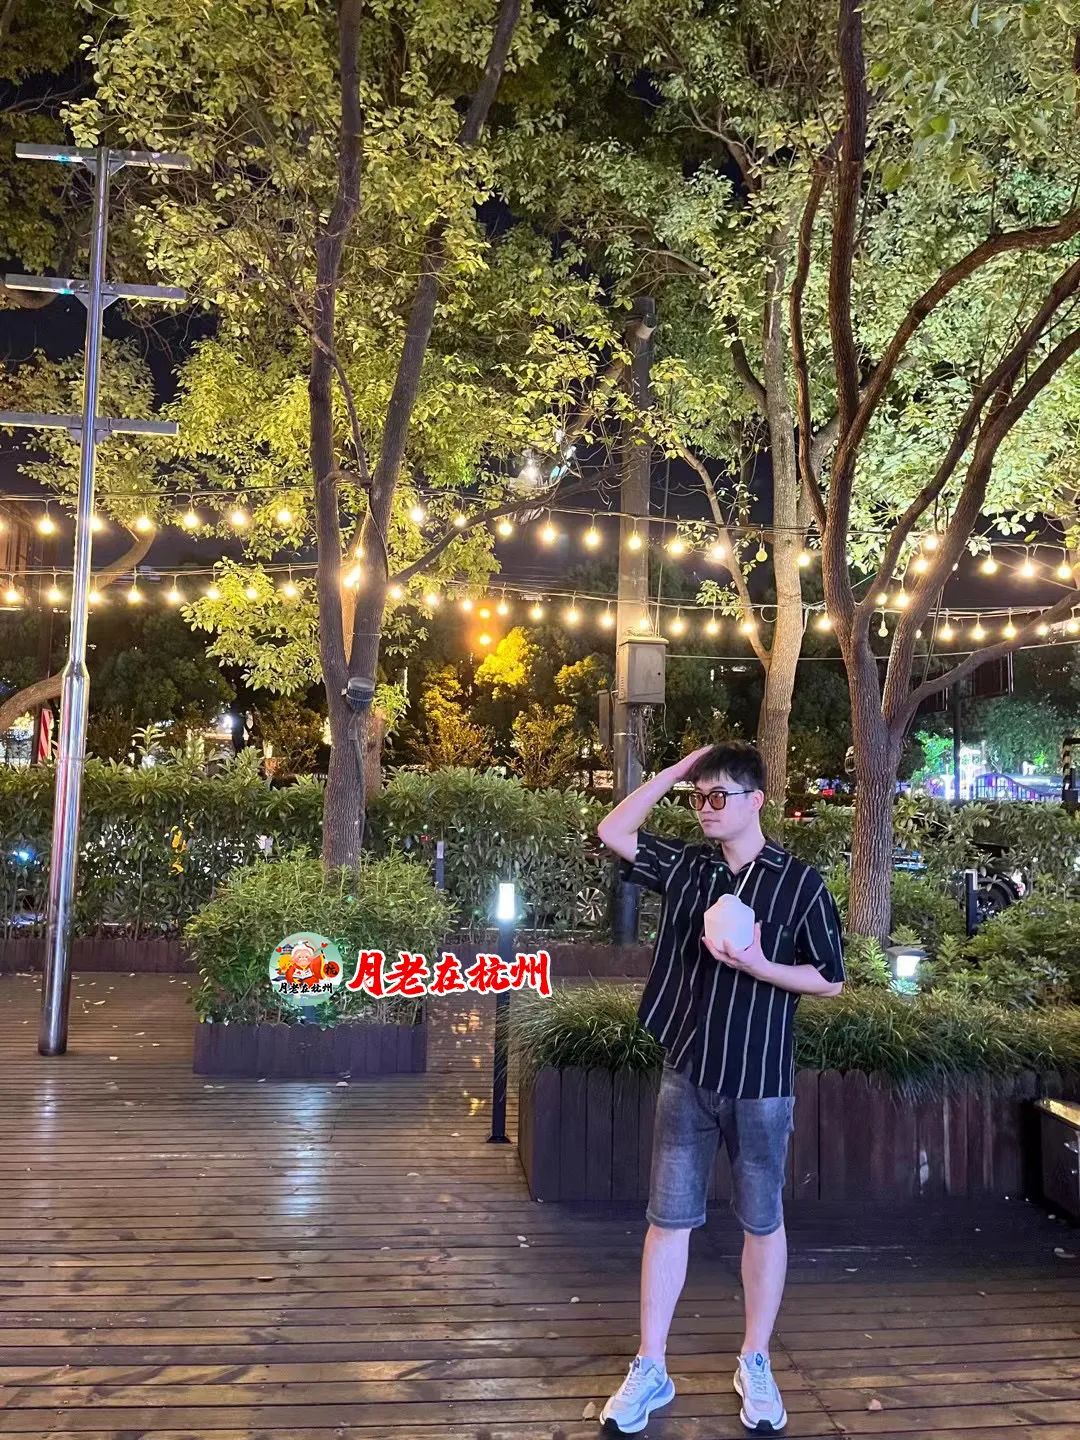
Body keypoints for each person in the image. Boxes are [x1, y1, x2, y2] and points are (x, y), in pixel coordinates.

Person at [595, 741, 845, 1435]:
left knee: (762, 1221)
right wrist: (674, 773)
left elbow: (830, 977)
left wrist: (759, 964)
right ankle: (652, 1364)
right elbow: (614, 830)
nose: (704, 808)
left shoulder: (799, 883)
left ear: (755, 801)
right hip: (689, 1070)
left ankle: (755, 1359)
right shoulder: (689, 867)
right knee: (667, 1220)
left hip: (761, 1080)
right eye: (697, 797)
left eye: (717, 796)